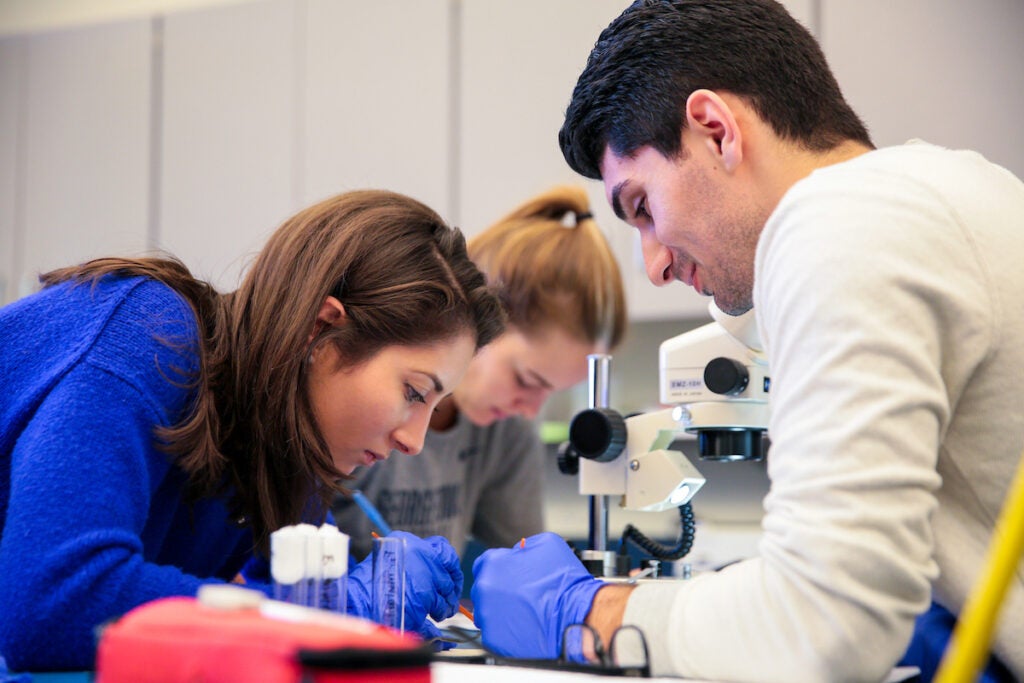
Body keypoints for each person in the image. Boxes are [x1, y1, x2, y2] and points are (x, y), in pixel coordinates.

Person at [469, 1, 1024, 681]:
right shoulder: (961, 184)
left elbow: (822, 626)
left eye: (643, 208)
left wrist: (594, 612)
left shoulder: (837, 227)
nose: (654, 264)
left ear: (715, 129)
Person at [0, 189, 505, 672]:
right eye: (414, 393)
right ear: (322, 330)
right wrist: (317, 619)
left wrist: (330, 600)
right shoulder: (148, 334)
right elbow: (53, 603)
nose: (414, 442)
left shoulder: (286, 452)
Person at [333, 185, 627, 560]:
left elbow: (525, 564)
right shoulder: (361, 403)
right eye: (526, 381)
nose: (531, 410)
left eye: (549, 393)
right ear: (480, 323)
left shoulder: (505, 430)